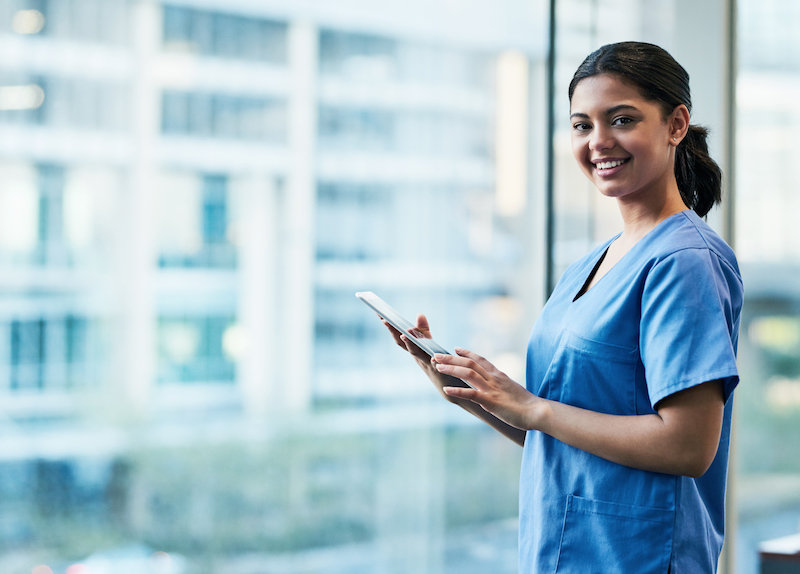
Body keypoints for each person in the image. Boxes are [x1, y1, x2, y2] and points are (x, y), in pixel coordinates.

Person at [382, 42, 742, 574]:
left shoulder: (684, 262)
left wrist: (534, 408)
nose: (599, 142)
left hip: (637, 560)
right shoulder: (592, 265)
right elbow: (555, 431)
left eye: (621, 120)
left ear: (676, 124)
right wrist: (470, 395)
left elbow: (688, 445)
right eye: (581, 125)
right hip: (561, 555)